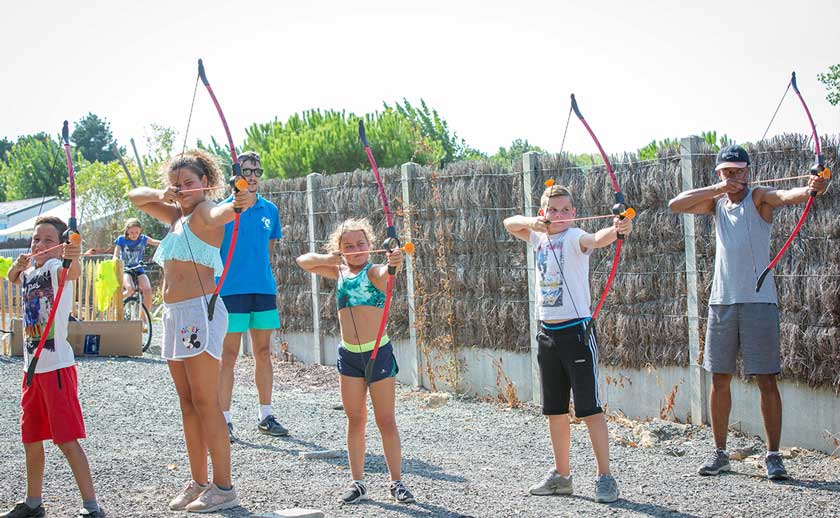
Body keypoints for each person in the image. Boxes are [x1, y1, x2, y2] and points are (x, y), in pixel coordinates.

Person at [668, 144, 828, 480]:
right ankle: (720, 453)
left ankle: (773, 456)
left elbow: (786, 196)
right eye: (727, 172)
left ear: (748, 171)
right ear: (719, 174)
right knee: (719, 377)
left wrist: (813, 187)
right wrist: (717, 189)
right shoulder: (716, 203)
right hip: (722, 301)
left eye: (739, 171)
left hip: (759, 302)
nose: (734, 177)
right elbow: (675, 204)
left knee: (767, 378)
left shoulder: (759, 198)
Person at [128, 150, 254, 512]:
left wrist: (239, 200)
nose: (183, 189)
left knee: (206, 403)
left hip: (200, 312)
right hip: (173, 314)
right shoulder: (173, 215)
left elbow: (223, 211)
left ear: (205, 183)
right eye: (177, 183)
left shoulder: (203, 212)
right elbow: (134, 196)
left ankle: (224, 487)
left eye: (190, 183)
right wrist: (161, 192)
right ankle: (199, 481)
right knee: (188, 405)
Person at [503, 183, 633, 503]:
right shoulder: (537, 237)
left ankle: (605, 477)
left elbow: (596, 239)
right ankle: (562, 476)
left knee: (589, 409)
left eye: (565, 210)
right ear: (543, 213)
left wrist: (618, 229)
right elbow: (509, 224)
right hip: (547, 335)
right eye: (553, 210)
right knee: (555, 411)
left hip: (576, 334)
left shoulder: (575, 237)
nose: (559, 215)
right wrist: (533, 224)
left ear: (574, 214)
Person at [295, 218, 415, 505]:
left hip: (378, 353)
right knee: (355, 419)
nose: (355, 249)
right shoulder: (338, 271)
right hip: (349, 356)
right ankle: (358, 483)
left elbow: (387, 273)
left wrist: (395, 261)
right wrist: (333, 257)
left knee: (385, 420)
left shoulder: (374, 272)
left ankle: (396, 482)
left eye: (361, 244)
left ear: (370, 246)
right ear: (340, 249)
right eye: (348, 246)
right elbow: (303, 261)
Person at [3, 216, 105, 518]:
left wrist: (72, 249)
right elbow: (12, 277)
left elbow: (72, 270)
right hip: (31, 370)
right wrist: (17, 265)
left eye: (49, 240)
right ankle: (33, 503)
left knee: (65, 438)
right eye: (36, 239)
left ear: (60, 246)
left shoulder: (55, 269)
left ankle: (92, 507)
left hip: (57, 367)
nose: (39, 245)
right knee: (31, 437)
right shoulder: (31, 270)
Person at [217, 151, 287, 443]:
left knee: (262, 353)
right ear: (236, 175)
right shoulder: (221, 211)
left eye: (257, 170)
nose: (253, 176)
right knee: (228, 356)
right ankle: (223, 420)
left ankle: (265, 415)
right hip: (230, 291)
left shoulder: (270, 210)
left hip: (263, 289)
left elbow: (267, 251)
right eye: (247, 171)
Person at [113, 218, 159, 314]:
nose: (134, 234)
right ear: (127, 231)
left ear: (140, 231)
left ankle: (144, 319)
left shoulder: (143, 239)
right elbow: (115, 255)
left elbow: (156, 242)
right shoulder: (121, 240)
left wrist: (170, 242)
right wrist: (115, 261)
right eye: (132, 232)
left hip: (138, 269)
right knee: (130, 289)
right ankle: (117, 299)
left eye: (137, 232)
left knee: (147, 289)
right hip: (126, 269)